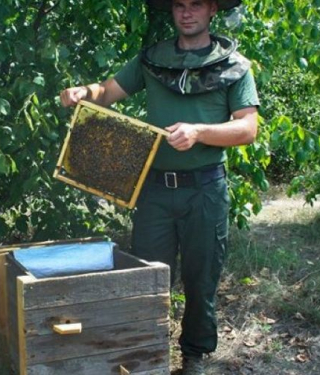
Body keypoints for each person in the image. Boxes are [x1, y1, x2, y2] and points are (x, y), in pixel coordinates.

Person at [59, 0, 259, 374]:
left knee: (201, 279)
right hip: (154, 191)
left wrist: (199, 132)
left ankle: (194, 357)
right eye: (179, 5)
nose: (187, 12)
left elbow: (248, 128)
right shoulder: (151, 59)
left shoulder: (235, 66)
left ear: (212, 9)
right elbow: (107, 91)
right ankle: (147, 354)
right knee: (147, 276)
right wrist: (82, 92)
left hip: (205, 190)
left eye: (196, 4)